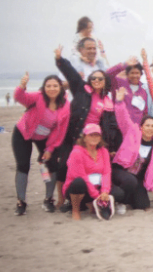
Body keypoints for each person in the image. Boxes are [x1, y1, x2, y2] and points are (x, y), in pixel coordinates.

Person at [54, 45, 124, 209]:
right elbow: (71, 75)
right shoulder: (81, 90)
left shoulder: (107, 101)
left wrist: (111, 146)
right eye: (94, 79)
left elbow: (110, 126)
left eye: (100, 79)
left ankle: (88, 199)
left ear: (104, 82)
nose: (97, 81)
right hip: (75, 135)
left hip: (93, 138)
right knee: (64, 166)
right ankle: (62, 199)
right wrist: (60, 60)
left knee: (89, 169)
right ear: (90, 80)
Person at [12, 72, 70, 215]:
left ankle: (48, 199)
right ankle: (21, 202)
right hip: (23, 132)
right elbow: (20, 97)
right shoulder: (38, 96)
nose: (52, 88)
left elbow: (60, 131)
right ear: (44, 88)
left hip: (45, 138)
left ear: (61, 88)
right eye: (48, 86)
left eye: (55, 86)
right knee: (23, 165)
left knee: (50, 165)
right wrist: (22, 86)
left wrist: (50, 149)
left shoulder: (65, 106)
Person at [111, 88, 153, 211]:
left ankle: (127, 197)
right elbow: (123, 118)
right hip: (121, 170)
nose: (150, 128)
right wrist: (119, 102)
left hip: (137, 177)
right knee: (130, 181)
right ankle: (120, 201)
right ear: (141, 127)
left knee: (143, 205)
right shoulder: (132, 132)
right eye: (147, 125)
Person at [63, 124, 127, 221]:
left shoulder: (104, 151)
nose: (94, 137)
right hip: (80, 188)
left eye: (97, 135)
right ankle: (75, 210)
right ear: (84, 138)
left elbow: (106, 172)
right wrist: (97, 196)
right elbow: (82, 176)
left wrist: (105, 191)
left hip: (98, 186)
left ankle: (94, 204)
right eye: (91, 135)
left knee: (119, 194)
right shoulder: (77, 153)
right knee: (79, 183)